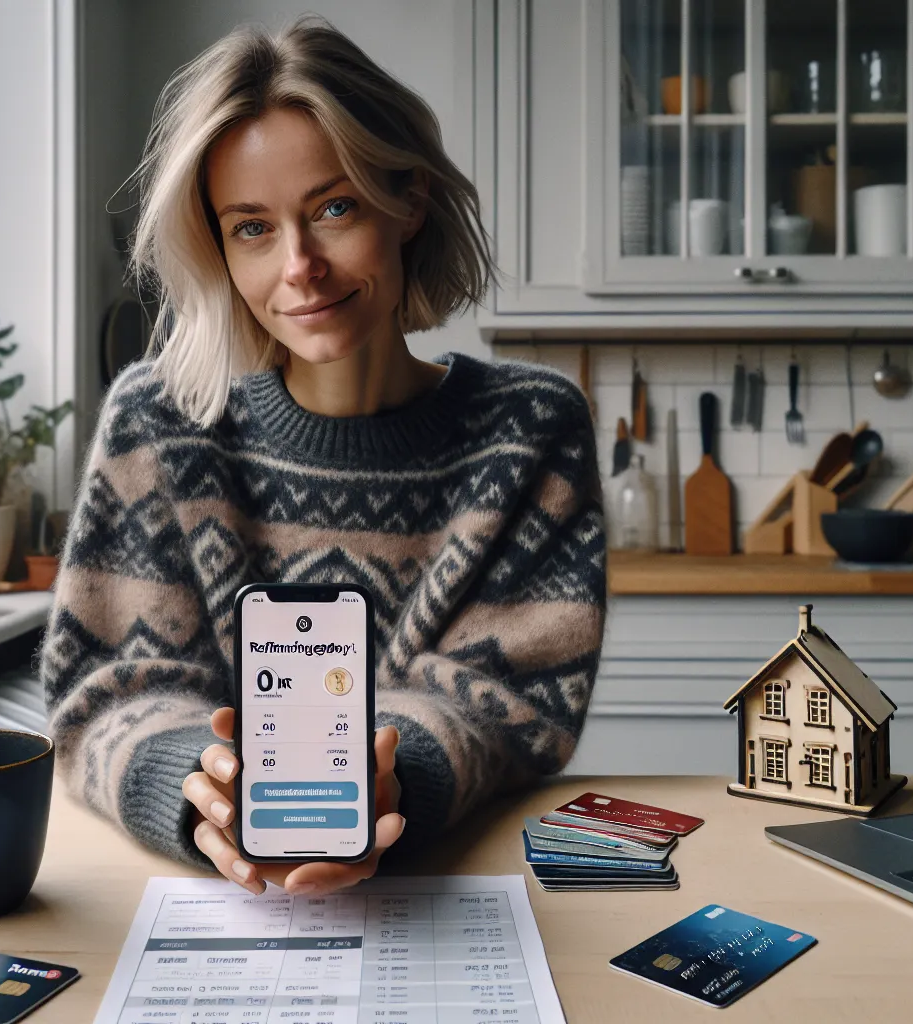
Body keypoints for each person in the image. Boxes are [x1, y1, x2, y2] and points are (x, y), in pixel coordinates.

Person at [41, 17, 606, 897]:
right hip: (211, 906)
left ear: (408, 200)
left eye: (334, 208)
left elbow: (505, 702)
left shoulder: (531, 431)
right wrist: (205, 790)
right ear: (218, 248)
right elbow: (105, 693)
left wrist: (388, 784)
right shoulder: (156, 421)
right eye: (252, 228)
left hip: (447, 892)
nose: (299, 266)